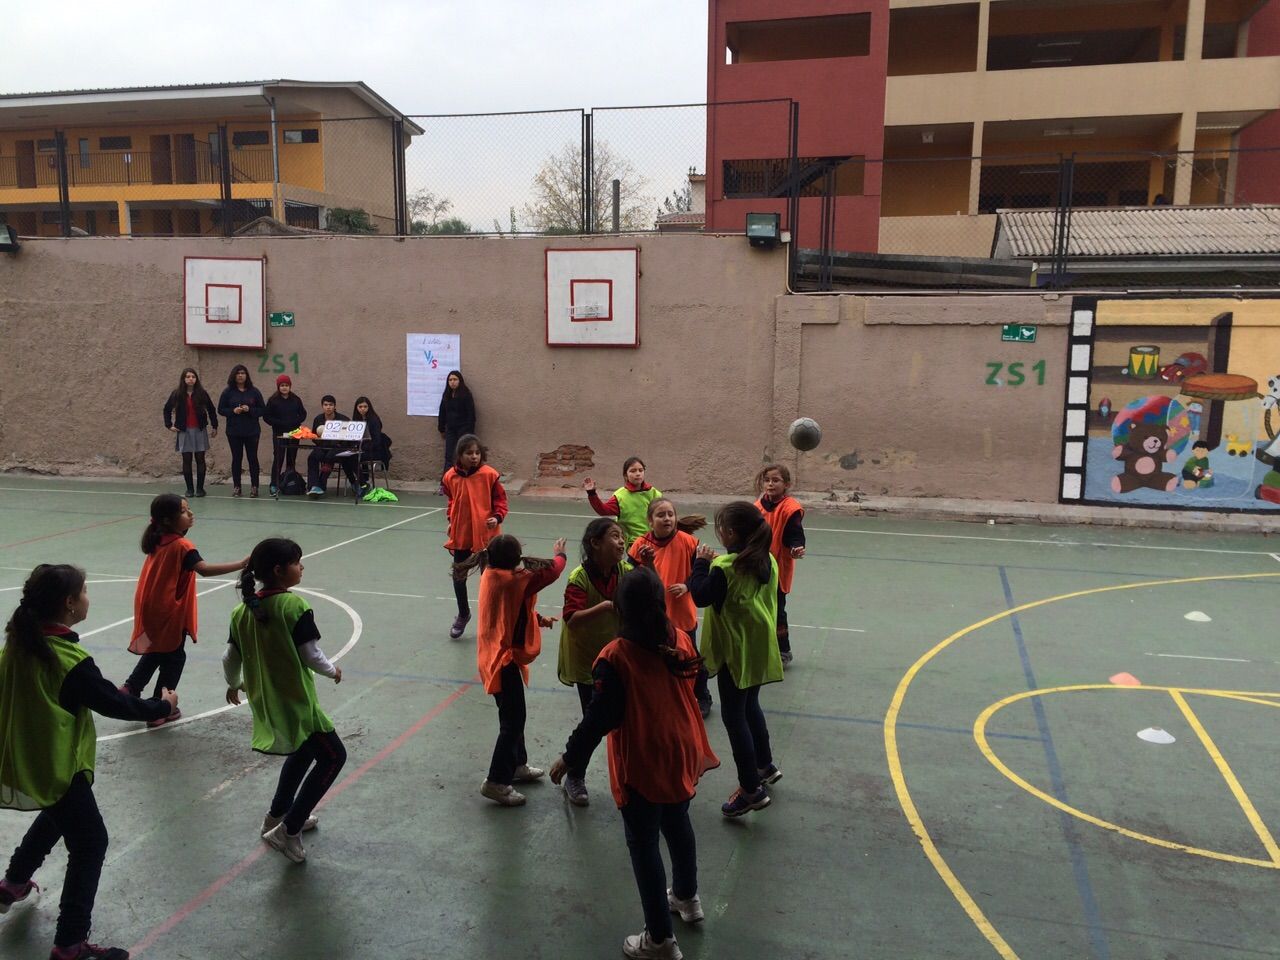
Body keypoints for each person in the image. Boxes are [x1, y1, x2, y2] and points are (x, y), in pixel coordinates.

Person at [0, 564, 177, 960]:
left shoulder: (18, 645)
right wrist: (162, 706)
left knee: (57, 816)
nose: (87, 598)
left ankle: (13, 883)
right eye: (84, 591)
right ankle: (70, 944)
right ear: (69, 603)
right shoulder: (67, 659)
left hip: (28, 759)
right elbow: (116, 703)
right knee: (91, 842)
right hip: (58, 763)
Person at [550, 567, 718, 960]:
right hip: (683, 748)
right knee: (677, 822)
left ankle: (659, 939)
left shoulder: (616, 656)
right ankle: (687, 896)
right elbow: (695, 682)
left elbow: (599, 718)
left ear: (619, 611)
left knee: (643, 845)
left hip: (644, 759)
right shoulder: (679, 638)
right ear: (661, 603)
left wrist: (569, 757)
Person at [224, 538, 346, 864]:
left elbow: (229, 657)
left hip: (268, 701)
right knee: (334, 756)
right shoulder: (294, 606)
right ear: (279, 570)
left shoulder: (241, 612)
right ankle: (288, 830)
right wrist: (332, 670)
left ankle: (276, 815)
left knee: (303, 751)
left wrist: (234, 684)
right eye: (296, 562)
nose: (302, 567)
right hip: (297, 702)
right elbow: (311, 655)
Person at [456, 534, 567, 806]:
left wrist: (536, 619)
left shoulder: (491, 574)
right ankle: (496, 781)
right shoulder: (511, 580)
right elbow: (552, 572)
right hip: (501, 661)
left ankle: (517, 764)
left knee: (513, 715)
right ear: (515, 559)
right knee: (513, 721)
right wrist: (560, 554)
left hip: (492, 655)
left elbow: (508, 609)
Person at [688, 501, 782, 818]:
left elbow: (701, 594)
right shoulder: (766, 559)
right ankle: (765, 764)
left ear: (730, 533)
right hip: (759, 646)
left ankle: (750, 790)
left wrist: (700, 563)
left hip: (735, 651)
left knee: (734, 717)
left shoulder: (726, 567)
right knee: (751, 705)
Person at [123, 494, 247, 727]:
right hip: (168, 611)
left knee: (157, 650)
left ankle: (131, 687)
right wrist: (241, 564)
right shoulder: (182, 546)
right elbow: (205, 569)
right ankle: (160, 707)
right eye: (183, 511)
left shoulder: (158, 539)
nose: (190, 513)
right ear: (167, 520)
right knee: (174, 657)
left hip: (150, 606)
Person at [556, 517, 633, 806]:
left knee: (621, 718)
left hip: (615, 656)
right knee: (596, 719)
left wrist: (650, 565)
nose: (621, 542)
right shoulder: (580, 577)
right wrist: (603, 606)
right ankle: (575, 776)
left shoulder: (625, 571)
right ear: (596, 543)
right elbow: (571, 619)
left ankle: (631, 775)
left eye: (622, 536)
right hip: (587, 659)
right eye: (615, 536)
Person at [629, 499, 712, 717]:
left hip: (682, 613)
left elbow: (700, 572)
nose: (666, 518)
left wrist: (686, 585)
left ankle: (703, 696)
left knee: (691, 657)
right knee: (657, 658)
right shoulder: (640, 545)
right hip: (655, 615)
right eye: (661, 515)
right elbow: (632, 578)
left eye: (670, 514)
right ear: (650, 521)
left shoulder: (688, 542)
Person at [441, 434, 507, 639]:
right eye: (469, 453)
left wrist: (497, 517)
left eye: (477, 453)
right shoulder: (450, 477)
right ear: (459, 455)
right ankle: (463, 613)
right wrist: (451, 519)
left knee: (489, 579)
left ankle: (491, 620)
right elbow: (453, 501)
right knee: (458, 575)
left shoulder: (489, 475)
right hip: (462, 534)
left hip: (486, 536)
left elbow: (501, 501)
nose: (474, 456)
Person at [754, 464, 806, 667]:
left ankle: (783, 650)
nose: (770, 484)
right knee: (756, 609)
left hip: (778, 568)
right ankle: (759, 647)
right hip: (757, 566)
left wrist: (796, 548)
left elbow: (795, 534)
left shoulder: (790, 508)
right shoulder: (757, 508)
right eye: (767, 480)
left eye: (775, 480)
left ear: (787, 484)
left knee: (777, 612)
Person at [162, 366, 218, 498]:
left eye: (193, 376)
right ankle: (189, 489)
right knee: (186, 459)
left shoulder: (202, 393)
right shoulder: (177, 394)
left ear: (196, 379)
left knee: (200, 459)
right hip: (184, 431)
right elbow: (167, 409)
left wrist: (214, 426)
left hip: (199, 430)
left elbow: (211, 409)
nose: (191, 379)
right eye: (188, 377)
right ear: (183, 379)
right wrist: (169, 425)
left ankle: (200, 489)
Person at [585, 457, 663, 546]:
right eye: (633, 471)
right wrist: (592, 493)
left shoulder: (654, 493)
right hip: (632, 544)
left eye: (640, 470)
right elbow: (603, 510)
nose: (638, 474)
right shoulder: (620, 496)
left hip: (654, 541)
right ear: (625, 475)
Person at [217, 364, 265, 498]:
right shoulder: (228, 392)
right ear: (234, 376)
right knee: (236, 459)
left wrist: (250, 410)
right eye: (238, 373)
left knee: (252, 458)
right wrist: (233, 411)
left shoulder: (254, 391)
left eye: (243, 373)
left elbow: (263, 410)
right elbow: (220, 409)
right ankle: (237, 486)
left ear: (247, 375)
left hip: (252, 431)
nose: (240, 375)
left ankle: (254, 487)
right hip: (234, 431)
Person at [306, 395, 359, 497]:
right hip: (323, 447)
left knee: (330, 457)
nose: (328, 407)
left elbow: (349, 439)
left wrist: (338, 442)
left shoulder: (344, 419)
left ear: (335, 406)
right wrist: (321, 442)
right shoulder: (318, 419)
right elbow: (314, 437)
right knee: (312, 457)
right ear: (322, 406)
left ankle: (320, 486)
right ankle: (313, 485)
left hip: (339, 448)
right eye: (325, 405)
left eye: (330, 405)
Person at [263, 375, 306, 496]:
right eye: (282, 385)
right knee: (278, 458)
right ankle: (274, 484)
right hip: (279, 434)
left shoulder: (296, 399)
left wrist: (296, 422)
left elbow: (303, 414)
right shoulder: (273, 400)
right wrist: (278, 423)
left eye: (286, 385)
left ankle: (289, 482)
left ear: (290, 386)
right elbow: (266, 416)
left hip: (294, 434)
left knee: (291, 458)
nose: (284, 388)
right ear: (278, 387)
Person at [437, 370, 476, 482]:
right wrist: (441, 428)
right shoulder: (446, 395)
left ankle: (467, 480)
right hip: (451, 430)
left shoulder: (466, 395)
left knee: (465, 455)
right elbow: (442, 412)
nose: (452, 382)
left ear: (460, 381)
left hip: (464, 430)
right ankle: (445, 482)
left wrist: (469, 432)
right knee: (449, 456)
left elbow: (471, 414)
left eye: (455, 379)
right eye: (450, 380)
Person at [352, 396, 387, 493]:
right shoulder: (356, 420)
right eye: (360, 407)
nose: (362, 409)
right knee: (347, 457)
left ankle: (362, 482)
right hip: (360, 449)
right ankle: (359, 481)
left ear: (369, 407)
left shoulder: (374, 420)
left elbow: (376, 441)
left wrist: (363, 448)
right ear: (356, 408)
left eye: (365, 406)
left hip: (374, 450)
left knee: (354, 458)